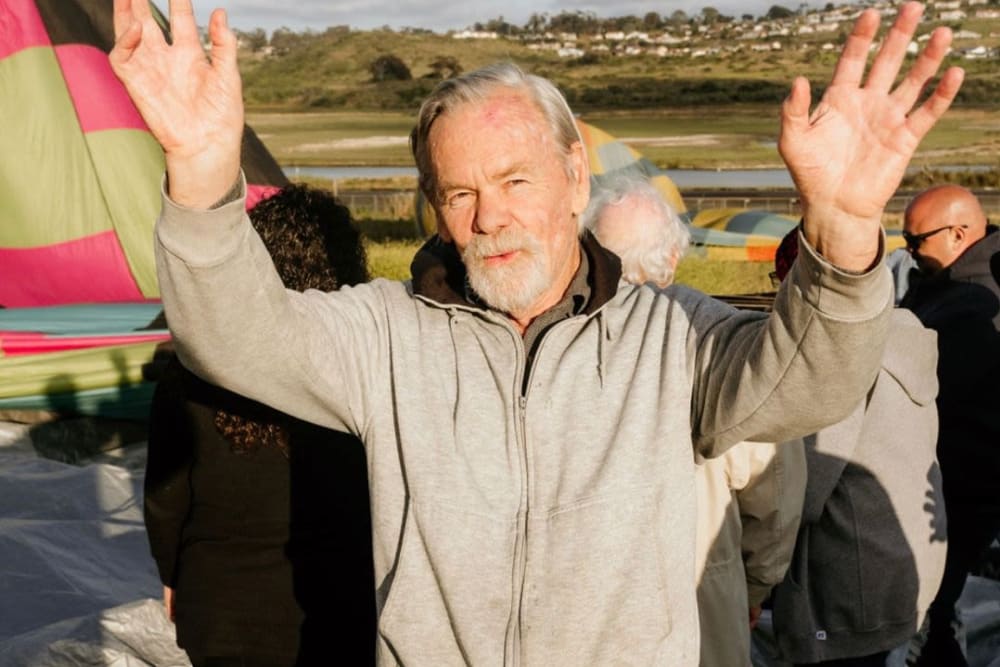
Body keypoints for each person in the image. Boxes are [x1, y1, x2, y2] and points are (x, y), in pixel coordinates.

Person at [111, 1, 962, 662]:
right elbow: (236, 337)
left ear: (572, 175)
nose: (491, 217)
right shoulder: (389, 335)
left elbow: (813, 378)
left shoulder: (674, 336)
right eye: (460, 193)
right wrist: (202, 180)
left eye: (515, 178)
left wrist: (845, 234)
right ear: (436, 210)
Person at [144, 184, 376, 666]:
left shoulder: (190, 371)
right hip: (337, 613)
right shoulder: (365, 366)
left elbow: (165, 501)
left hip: (217, 614)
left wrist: (172, 573)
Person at [585, 173, 807, 667]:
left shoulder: (553, 338)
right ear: (671, 259)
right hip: (700, 597)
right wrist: (752, 586)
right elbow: (777, 494)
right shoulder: (715, 345)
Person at [768, 230, 947, 667]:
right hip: (907, 562)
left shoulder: (835, 353)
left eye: (780, 282)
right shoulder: (904, 332)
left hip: (853, 585)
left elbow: (801, 493)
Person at [899, 185, 1000, 667]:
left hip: (960, 492)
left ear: (958, 234)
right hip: (947, 488)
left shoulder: (975, 304)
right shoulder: (946, 285)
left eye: (915, 241)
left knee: (934, 614)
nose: (908, 252)